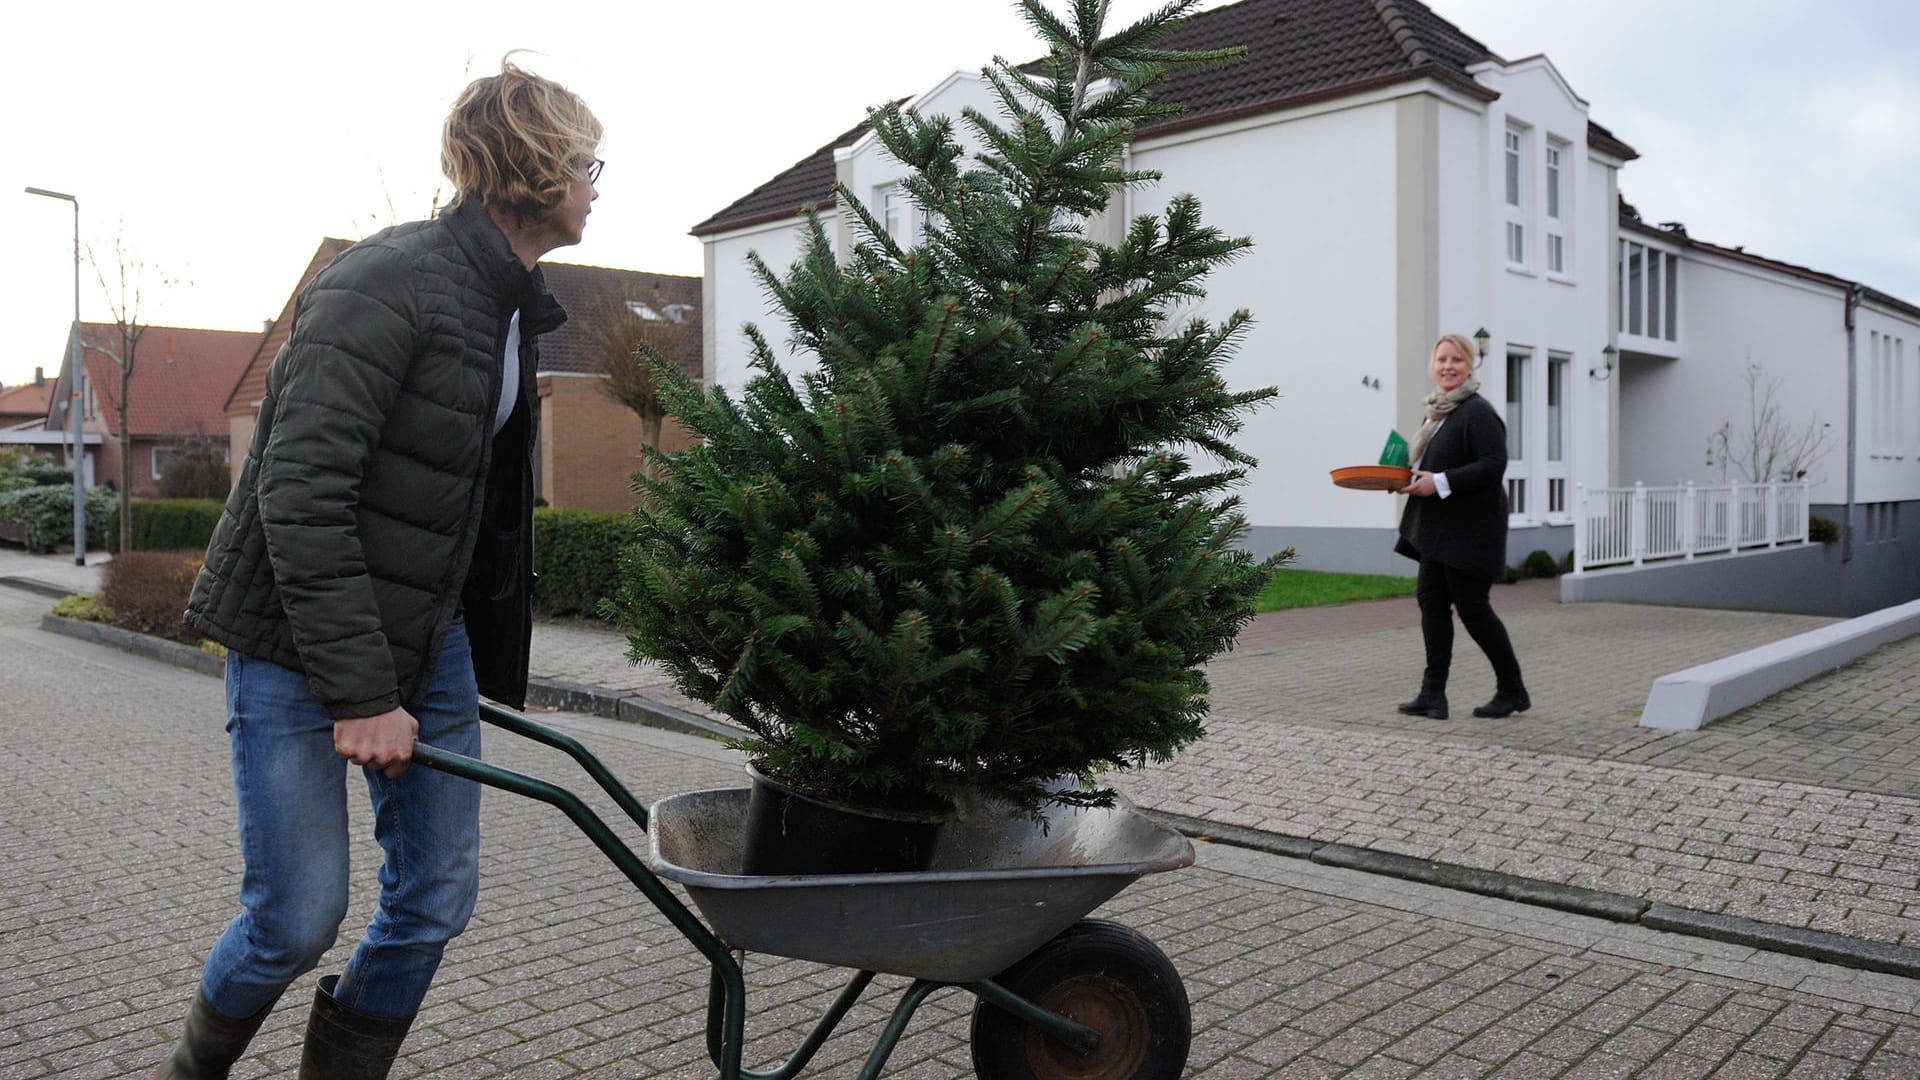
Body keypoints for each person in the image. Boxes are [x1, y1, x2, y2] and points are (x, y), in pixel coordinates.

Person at [155, 58, 601, 1079]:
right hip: (287, 639)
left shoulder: (514, 304)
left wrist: (471, 659)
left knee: (437, 896)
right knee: (298, 915)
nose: (597, 182)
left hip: (423, 638)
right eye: (588, 162)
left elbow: (473, 509)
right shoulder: (383, 281)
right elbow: (300, 495)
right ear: (533, 167)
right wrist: (360, 692)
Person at [1393, 332, 1530, 721]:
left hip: (1471, 531)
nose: (1448, 367)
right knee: (1432, 605)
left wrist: (1436, 481)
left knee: (1473, 608)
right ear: (1432, 367)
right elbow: (1438, 465)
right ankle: (1432, 696)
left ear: (1469, 365)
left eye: (1456, 360)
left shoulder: (1477, 412)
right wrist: (1409, 479)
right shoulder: (1438, 412)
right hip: (1438, 531)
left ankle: (1512, 689)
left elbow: (1492, 465)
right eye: (1441, 360)